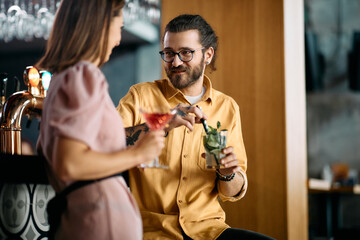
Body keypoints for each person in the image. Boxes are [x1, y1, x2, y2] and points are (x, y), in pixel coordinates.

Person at [117, 14, 274, 240]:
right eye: (169, 53)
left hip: (208, 231)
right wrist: (163, 123)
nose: (176, 62)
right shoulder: (140, 95)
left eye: (186, 53)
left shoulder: (226, 108)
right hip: (152, 231)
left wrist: (228, 174)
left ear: (207, 55)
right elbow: (105, 142)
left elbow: (232, 191)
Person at [35, 0, 166, 239]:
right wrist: (138, 154)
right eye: (120, 27)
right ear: (102, 24)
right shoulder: (83, 76)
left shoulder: (60, 82)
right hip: (100, 221)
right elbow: (70, 164)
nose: (118, 39)